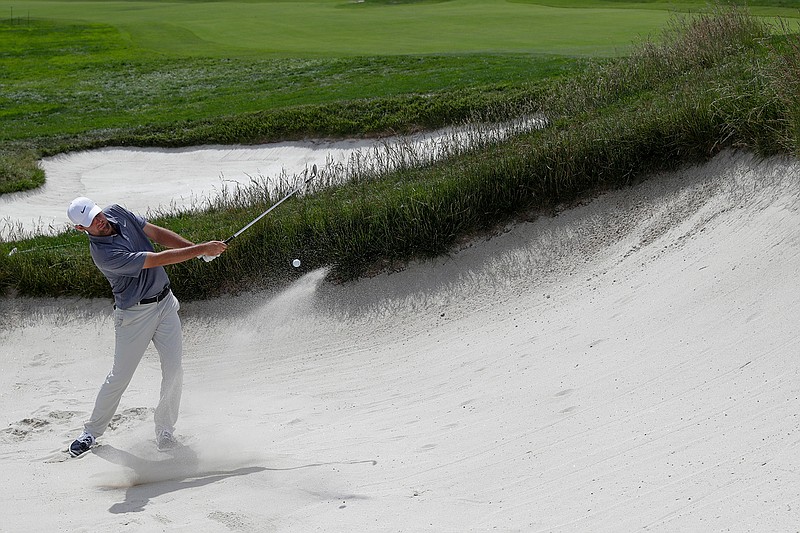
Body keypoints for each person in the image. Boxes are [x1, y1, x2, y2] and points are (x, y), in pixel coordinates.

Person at [66, 197, 227, 457]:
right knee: (120, 376)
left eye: (97, 215)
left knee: (174, 370)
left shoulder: (116, 212)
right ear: (81, 229)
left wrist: (197, 249)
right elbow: (156, 259)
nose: (99, 221)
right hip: (135, 315)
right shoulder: (104, 255)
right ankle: (91, 432)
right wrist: (200, 250)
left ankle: (165, 431)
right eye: (91, 223)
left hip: (164, 303)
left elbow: (156, 233)